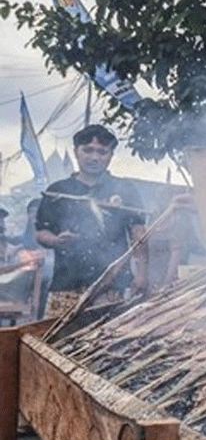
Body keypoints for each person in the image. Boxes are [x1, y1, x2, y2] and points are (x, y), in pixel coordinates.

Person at [36, 124, 148, 316]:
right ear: (76, 152)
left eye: (102, 152)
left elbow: (139, 233)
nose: (94, 157)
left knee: (109, 343)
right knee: (56, 341)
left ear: (111, 155)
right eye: (87, 150)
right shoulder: (58, 191)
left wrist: (142, 274)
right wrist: (56, 240)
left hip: (114, 287)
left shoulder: (124, 189)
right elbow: (41, 232)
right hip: (66, 286)